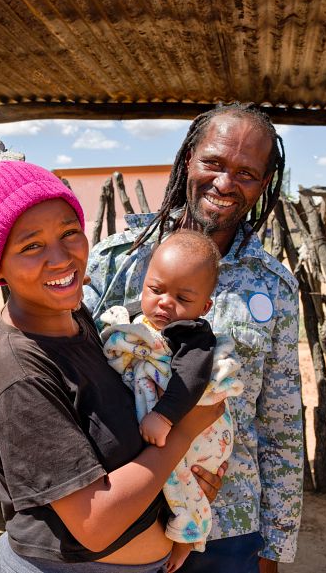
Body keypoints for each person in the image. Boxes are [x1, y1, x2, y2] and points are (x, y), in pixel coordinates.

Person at [0, 160, 229, 573]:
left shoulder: (74, 319)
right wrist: (185, 431)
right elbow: (95, 523)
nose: (61, 257)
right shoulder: (18, 371)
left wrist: (179, 517)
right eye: (31, 246)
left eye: (69, 232)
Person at [84, 103, 303, 573]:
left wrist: (273, 548)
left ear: (265, 182)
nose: (225, 183)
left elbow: (280, 425)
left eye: (246, 173)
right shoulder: (118, 261)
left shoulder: (274, 287)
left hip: (229, 524)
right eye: (213, 163)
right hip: (124, 516)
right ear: (188, 160)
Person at [98, 230, 245, 572]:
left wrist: (164, 416)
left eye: (182, 297)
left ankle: (188, 537)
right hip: (162, 428)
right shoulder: (135, 320)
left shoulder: (194, 337)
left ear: (204, 307)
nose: (165, 302)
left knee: (183, 481)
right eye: (156, 289)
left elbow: (191, 379)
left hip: (194, 429)